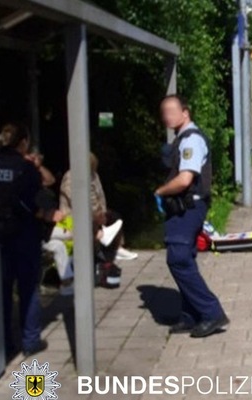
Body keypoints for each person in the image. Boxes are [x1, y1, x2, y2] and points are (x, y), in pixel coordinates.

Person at [155, 95, 228, 338]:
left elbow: (185, 179)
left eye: (172, 111)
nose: (167, 116)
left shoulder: (190, 140)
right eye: (164, 112)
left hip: (188, 208)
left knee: (178, 259)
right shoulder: (183, 139)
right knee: (185, 258)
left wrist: (160, 191)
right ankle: (190, 315)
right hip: (187, 207)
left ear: (185, 112)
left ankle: (211, 312)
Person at [0, 123, 63, 356]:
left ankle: (4, 343)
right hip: (24, 235)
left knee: (3, 291)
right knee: (28, 288)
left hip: (1, 237)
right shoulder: (25, 169)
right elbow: (34, 200)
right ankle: (31, 340)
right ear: (23, 142)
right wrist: (47, 215)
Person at [60, 153, 137, 261]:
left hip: (95, 212)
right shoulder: (70, 177)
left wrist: (102, 211)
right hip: (73, 216)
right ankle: (101, 241)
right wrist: (97, 214)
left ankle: (117, 248)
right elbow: (78, 200)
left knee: (114, 216)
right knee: (90, 222)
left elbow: (99, 195)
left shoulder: (93, 175)